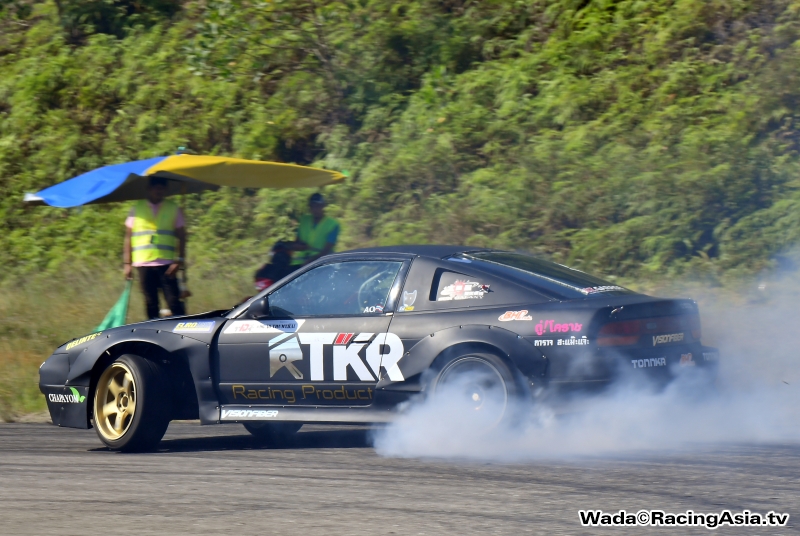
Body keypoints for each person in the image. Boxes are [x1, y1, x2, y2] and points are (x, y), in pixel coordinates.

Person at [123, 177, 187, 319]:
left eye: (162, 188)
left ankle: (184, 333)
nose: (159, 191)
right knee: (151, 304)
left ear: (166, 190)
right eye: (156, 187)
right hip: (143, 264)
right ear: (149, 188)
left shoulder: (173, 208)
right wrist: (127, 264)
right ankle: (154, 335)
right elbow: (128, 237)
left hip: (167, 264)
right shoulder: (137, 208)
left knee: (174, 302)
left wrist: (179, 260)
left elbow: (182, 236)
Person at [288, 193, 340, 266]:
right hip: (300, 262)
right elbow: (297, 242)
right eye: (312, 206)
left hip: (322, 263)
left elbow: (326, 251)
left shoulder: (332, 224)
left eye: (318, 206)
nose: (315, 209)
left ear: (323, 206)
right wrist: (298, 246)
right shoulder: (304, 220)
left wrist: (311, 261)